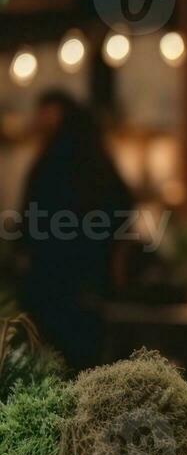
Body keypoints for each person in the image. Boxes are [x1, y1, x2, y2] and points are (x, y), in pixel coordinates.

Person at [18, 90, 134, 369]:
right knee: (84, 367)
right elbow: (123, 204)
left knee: (52, 366)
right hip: (88, 287)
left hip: (55, 286)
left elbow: (30, 221)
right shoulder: (94, 158)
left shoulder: (52, 162)